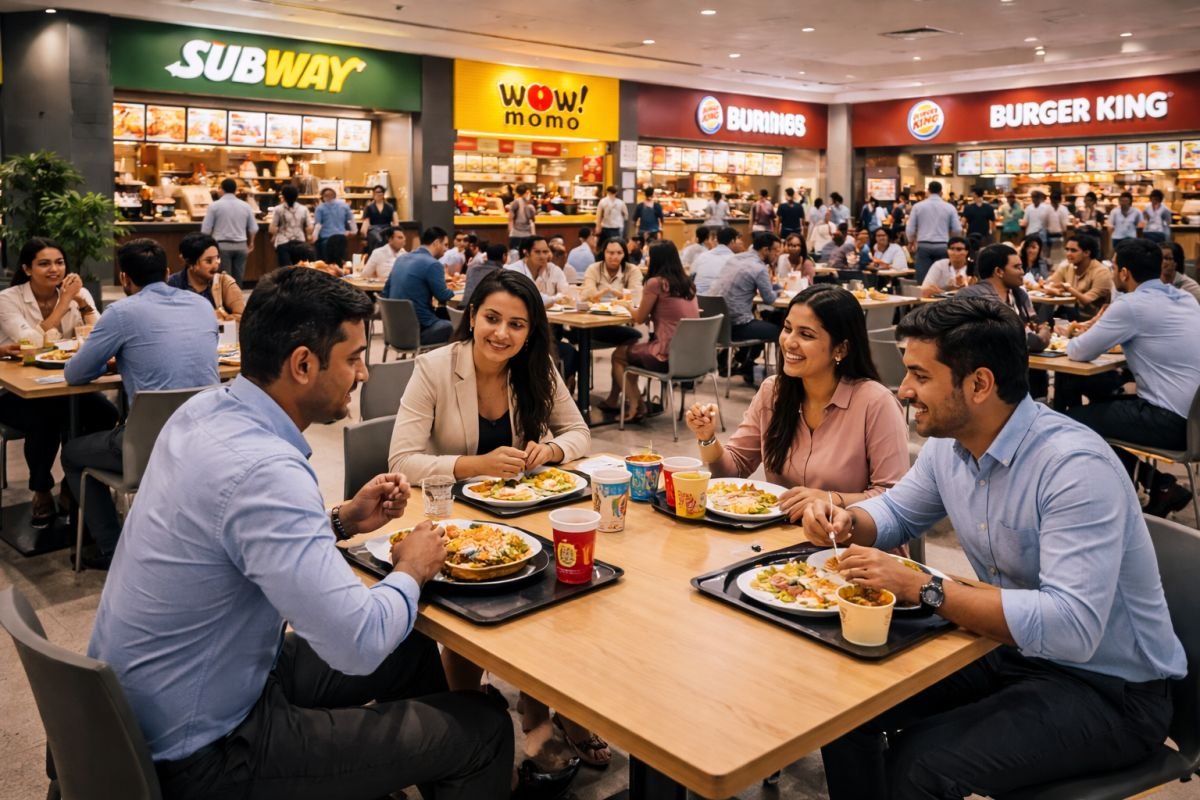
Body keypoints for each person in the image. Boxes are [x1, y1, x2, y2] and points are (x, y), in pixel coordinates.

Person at [88, 267, 512, 799]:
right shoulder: (266, 470)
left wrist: (340, 521)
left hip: (158, 698)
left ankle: (404, 769)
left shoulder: (202, 411)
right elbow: (357, 644)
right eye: (355, 358)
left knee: (412, 649)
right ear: (304, 364)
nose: (363, 374)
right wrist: (411, 567)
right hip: (206, 750)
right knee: (486, 726)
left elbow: (236, 538)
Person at [800, 296, 1184, 800]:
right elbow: (896, 513)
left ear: (979, 384)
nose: (904, 388)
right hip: (1008, 649)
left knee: (920, 764)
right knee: (846, 709)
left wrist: (927, 588)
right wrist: (849, 520)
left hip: (1110, 690)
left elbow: (1072, 628)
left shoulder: (1072, 468)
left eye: (919, 374)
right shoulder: (950, 445)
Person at [387, 268, 596, 779]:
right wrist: (472, 465)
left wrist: (551, 448)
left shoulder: (536, 368)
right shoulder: (435, 367)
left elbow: (578, 433)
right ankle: (471, 720)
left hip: (524, 513)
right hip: (453, 520)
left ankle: (537, 706)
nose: (502, 334)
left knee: (559, 588)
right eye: (492, 319)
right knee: (475, 607)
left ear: (531, 331)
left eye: (517, 325)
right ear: (472, 316)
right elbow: (402, 459)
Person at [686, 284, 908, 519]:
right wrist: (707, 438)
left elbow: (894, 499)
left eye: (806, 334)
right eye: (787, 328)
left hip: (850, 547)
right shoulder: (774, 391)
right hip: (785, 539)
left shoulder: (875, 403)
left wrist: (830, 499)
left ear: (841, 348)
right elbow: (734, 470)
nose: (789, 342)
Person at [63, 239, 219, 569]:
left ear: (124, 278)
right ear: (166, 272)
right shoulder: (201, 306)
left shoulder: (121, 312)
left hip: (151, 447)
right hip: (209, 438)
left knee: (73, 454)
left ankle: (111, 548)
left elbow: (76, 373)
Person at [1066, 238, 1200, 516]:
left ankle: (1109, 501)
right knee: (1101, 393)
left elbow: (1079, 351)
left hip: (1173, 423)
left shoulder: (1131, 306)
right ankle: (1160, 485)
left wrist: (1067, 336)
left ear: (1124, 273)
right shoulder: (1185, 298)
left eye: (1114, 267)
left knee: (1071, 421)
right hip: (1195, 419)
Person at [0, 238, 115, 527]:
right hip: (16, 390)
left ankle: (69, 483)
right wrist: (65, 302)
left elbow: (98, 337)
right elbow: (33, 342)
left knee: (105, 413)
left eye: (59, 262)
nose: (55, 269)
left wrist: (83, 305)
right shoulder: (8, 299)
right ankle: (40, 489)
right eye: (45, 263)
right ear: (27, 268)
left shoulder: (78, 293)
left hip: (66, 383)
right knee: (45, 418)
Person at [604, 242, 699, 422]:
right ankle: (639, 403)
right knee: (631, 353)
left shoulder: (656, 283)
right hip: (694, 357)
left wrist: (627, 306)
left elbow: (639, 318)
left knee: (619, 355)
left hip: (666, 355)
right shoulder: (688, 283)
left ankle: (635, 406)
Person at [709, 232, 782, 386]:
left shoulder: (735, 259)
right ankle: (752, 366)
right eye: (775, 251)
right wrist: (779, 291)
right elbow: (769, 299)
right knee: (777, 330)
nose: (777, 255)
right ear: (765, 250)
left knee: (762, 321)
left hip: (716, 324)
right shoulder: (759, 268)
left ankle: (743, 362)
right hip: (736, 326)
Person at [958, 243, 1050, 354]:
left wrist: (1039, 331)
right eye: (1017, 267)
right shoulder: (974, 297)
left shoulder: (1019, 294)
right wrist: (1043, 333)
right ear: (999, 271)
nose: (1022, 272)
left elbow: (1035, 324)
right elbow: (1029, 341)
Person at [382, 226, 455, 345]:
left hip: (394, 330)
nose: (446, 249)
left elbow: (385, 292)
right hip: (418, 329)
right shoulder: (433, 264)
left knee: (442, 312)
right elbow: (443, 296)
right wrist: (455, 291)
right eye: (445, 245)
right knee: (456, 326)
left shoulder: (401, 259)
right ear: (436, 243)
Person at [579, 238, 644, 350]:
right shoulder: (594, 268)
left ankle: (618, 358)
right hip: (594, 320)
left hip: (618, 320)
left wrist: (613, 292)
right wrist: (608, 292)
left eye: (619, 253)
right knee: (635, 336)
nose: (614, 256)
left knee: (636, 336)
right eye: (610, 252)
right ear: (603, 252)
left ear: (625, 254)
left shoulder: (632, 270)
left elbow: (637, 298)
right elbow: (585, 295)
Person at [167, 232, 246, 320]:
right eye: (209, 261)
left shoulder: (224, 283)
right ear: (189, 262)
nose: (216, 264)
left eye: (217, 258)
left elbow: (242, 317)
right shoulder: (173, 284)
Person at [201, 177, 258, 286]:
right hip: (241, 246)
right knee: (238, 279)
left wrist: (206, 245)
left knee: (224, 279)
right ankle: (237, 300)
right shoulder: (245, 206)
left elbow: (206, 229)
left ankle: (225, 302)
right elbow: (253, 228)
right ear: (235, 190)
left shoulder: (214, 206)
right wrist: (251, 243)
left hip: (222, 246)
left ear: (222, 189)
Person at [905, 180, 962, 283]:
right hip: (943, 245)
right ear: (941, 192)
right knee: (941, 279)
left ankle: (923, 297)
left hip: (923, 245)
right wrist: (952, 242)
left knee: (923, 279)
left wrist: (910, 241)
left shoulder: (918, 206)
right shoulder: (949, 207)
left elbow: (910, 228)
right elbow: (957, 229)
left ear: (928, 191)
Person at [1045, 233, 1112, 320]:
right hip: (1070, 312)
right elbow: (1049, 285)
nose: (1068, 253)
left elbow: (1086, 300)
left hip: (1092, 319)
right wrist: (1053, 289)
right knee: (1045, 310)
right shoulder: (1066, 266)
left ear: (1087, 253)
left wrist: (1068, 288)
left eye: (1073, 250)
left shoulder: (1101, 272)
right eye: (1067, 249)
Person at [506, 236, 570, 306]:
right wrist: (556, 298)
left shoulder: (553, 269)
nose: (542, 256)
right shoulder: (514, 270)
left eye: (545, 252)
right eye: (537, 252)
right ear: (526, 252)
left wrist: (556, 299)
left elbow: (566, 294)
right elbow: (532, 298)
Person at [269, 184, 312, 268]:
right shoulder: (303, 209)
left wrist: (273, 236)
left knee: (285, 269)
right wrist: (309, 236)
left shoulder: (278, 209)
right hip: (300, 240)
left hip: (283, 241)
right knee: (300, 267)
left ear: (284, 196)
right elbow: (309, 226)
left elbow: (273, 227)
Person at [312, 186, 355, 267]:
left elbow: (318, 226)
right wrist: (353, 232)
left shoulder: (320, 208)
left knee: (325, 263)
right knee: (341, 261)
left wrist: (314, 238)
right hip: (341, 239)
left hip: (326, 241)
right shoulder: (345, 206)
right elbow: (351, 221)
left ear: (324, 197)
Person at [692, 226, 740, 294]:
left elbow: (692, 273)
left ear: (717, 240)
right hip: (722, 302)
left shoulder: (703, 256)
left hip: (699, 300)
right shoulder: (735, 260)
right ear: (732, 241)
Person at [360, 184, 398, 253]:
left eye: (380, 192)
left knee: (386, 240)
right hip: (374, 230)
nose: (378, 194)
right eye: (376, 192)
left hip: (387, 229)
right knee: (378, 239)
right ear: (373, 194)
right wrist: (364, 237)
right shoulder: (369, 207)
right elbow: (366, 223)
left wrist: (396, 233)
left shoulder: (390, 207)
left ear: (383, 194)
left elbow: (396, 222)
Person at [1161, 240, 1200, 304]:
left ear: (1177, 262)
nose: (1161, 262)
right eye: (1159, 257)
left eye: (1166, 258)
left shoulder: (1190, 287)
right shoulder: (1151, 280)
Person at [507, 183, 537, 250]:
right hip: (527, 234)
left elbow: (510, 219)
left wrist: (510, 233)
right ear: (527, 192)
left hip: (516, 234)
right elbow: (533, 220)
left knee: (515, 254)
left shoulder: (515, 203)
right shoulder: (529, 203)